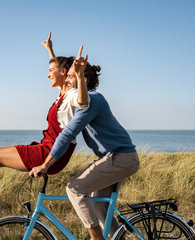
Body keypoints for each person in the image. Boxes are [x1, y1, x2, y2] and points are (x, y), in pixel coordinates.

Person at [0, 33, 89, 233]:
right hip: (47, 147)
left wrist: (80, 76)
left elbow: (83, 102)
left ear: (63, 72)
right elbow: (59, 70)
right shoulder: (61, 94)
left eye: (50, 71)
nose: (47, 74)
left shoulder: (72, 94)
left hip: (52, 152)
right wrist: (49, 50)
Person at [30, 62, 140, 240]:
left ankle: (96, 238)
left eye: (71, 77)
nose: (66, 80)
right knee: (100, 206)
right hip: (117, 157)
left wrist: (45, 164)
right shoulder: (83, 101)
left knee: (75, 188)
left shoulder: (91, 101)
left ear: (83, 80)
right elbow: (58, 72)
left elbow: (68, 134)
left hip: (120, 157)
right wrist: (50, 51)